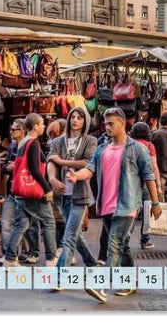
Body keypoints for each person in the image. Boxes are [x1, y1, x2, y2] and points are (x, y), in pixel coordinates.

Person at [67, 107, 161, 302]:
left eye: (110, 123)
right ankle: (129, 282)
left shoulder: (137, 148)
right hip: (106, 206)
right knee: (123, 246)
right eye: (105, 123)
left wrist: (155, 202)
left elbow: (149, 176)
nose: (106, 127)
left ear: (122, 123)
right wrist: (76, 176)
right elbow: (89, 169)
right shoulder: (102, 148)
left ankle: (101, 286)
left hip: (127, 205)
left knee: (114, 246)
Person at [47, 107, 99, 285]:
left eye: (80, 117)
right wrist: (53, 179)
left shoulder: (90, 141)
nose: (75, 120)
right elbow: (50, 162)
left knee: (68, 236)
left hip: (80, 194)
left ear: (85, 121)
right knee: (75, 234)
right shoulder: (58, 142)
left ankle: (60, 278)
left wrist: (63, 162)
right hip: (62, 195)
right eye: (73, 117)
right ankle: (92, 263)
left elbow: (88, 162)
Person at [0, 113, 57, 268]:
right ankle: (52, 259)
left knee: (21, 224)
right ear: (35, 125)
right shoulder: (33, 143)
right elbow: (34, 168)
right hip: (34, 191)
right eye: (42, 124)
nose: (44, 126)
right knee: (49, 222)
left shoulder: (22, 143)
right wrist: (47, 188)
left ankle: (10, 258)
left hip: (21, 191)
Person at [0, 119, 38, 263]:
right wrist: (7, 167)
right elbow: (4, 165)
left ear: (23, 131)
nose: (11, 132)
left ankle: (32, 252)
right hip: (13, 189)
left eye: (14, 129)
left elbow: (37, 167)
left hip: (27, 190)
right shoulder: (13, 146)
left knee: (28, 225)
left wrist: (19, 165)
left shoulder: (31, 145)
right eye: (11, 129)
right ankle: (9, 254)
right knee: (6, 222)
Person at [129, 121, 161, 243]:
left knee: (131, 211)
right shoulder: (149, 145)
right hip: (147, 183)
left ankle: (126, 236)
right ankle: (145, 240)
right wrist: (158, 185)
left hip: (132, 182)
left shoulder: (130, 144)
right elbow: (154, 166)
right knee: (147, 211)